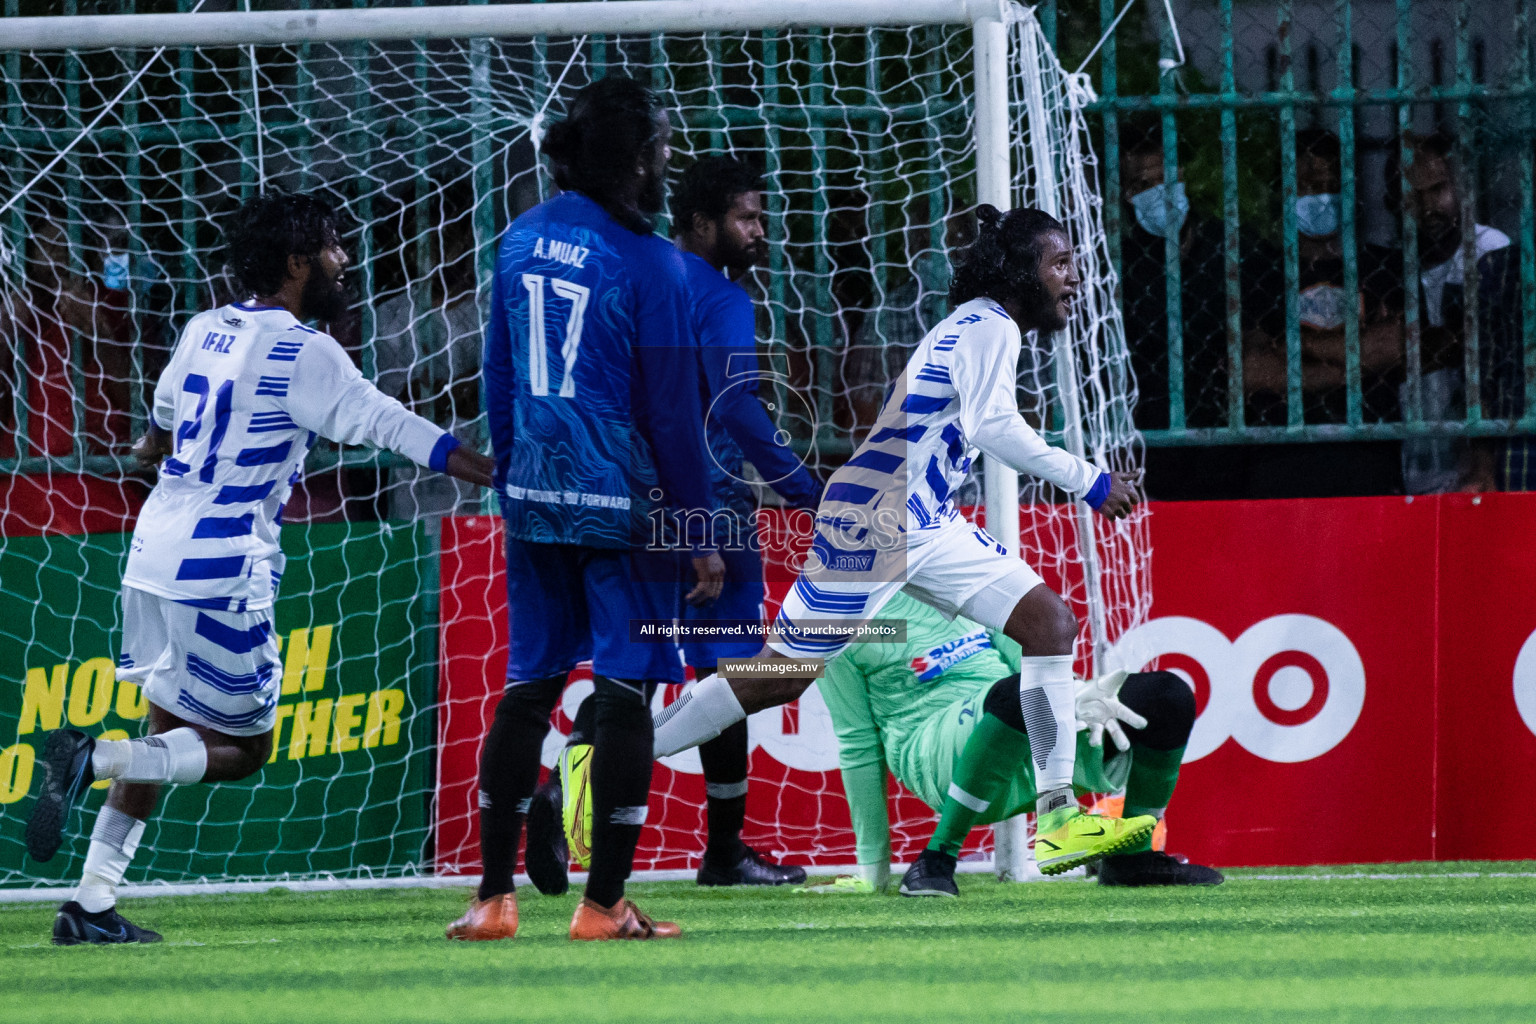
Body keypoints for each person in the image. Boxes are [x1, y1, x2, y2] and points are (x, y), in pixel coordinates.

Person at [23, 191, 494, 945]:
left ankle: (90, 903)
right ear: (298, 261)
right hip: (220, 564)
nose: (346, 260)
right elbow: (393, 425)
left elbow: (154, 440)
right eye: (335, 247)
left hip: (151, 550)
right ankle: (96, 757)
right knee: (243, 749)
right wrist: (492, 469)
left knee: (168, 729)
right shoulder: (308, 351)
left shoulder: (204, 328)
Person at [650, 204, 1156, 878]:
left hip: (916, 516)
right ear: (1020, 273)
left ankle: (1060, 818)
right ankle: (618, 748)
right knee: (776, 679)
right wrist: (1088, 480)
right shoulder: (989, 327)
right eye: (1060, 264)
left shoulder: (975, 326)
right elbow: (996, 426)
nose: (1073, 280)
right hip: (883, 519)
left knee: (1048, 624)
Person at [460, 74, 722, 944]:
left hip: (534, 491)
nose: (670, 155)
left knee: (527, 686)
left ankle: (492, 900)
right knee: (622, 692)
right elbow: (674, 416)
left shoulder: (520, 237)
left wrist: (512, 479)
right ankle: (604, 904)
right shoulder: (653, 263)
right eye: (661, 143)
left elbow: (498, 376)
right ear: (636, 160)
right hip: (623, 501)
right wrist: (699, 528)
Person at [815, 591, 1222, 896]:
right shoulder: (837, 617)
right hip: (935, 751)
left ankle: (1133, 859)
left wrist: (1077, 698)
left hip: (1024, 725)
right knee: (1018, 692)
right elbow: (858, 746)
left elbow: (1038, 664)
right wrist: (873, 868)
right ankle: (936, 859)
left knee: (1168, 695)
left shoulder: (963, 581)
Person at [1376, 132, 1522, 493]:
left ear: (1460, 188)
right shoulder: (1390, 271)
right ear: (1392, 203)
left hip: (1474, 469)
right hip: (1413, 467)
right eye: (1412, 195)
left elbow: (1487, 360)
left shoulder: (1491, 254)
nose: (1428, 207)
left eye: (1438, 189)